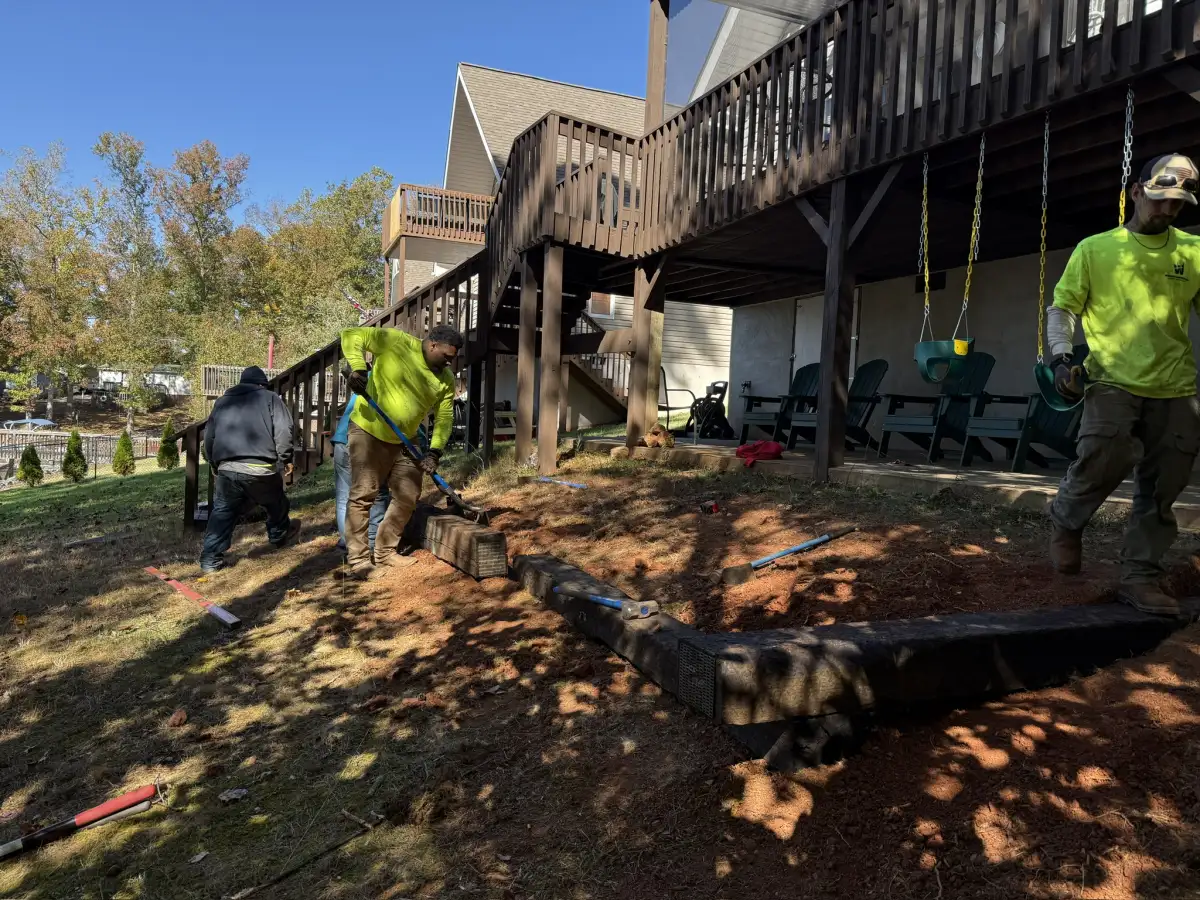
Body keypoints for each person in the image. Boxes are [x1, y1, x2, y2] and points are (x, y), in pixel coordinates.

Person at [1047, 153, 1200, 616]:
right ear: (1136, 191)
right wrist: (1060, 358)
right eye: (1160, 198)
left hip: (1176, 384)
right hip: (1111, 377)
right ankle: (1067, 518)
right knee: (1104, 455)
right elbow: (1063, 307)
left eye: (1178, 203)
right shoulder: (1095, 249)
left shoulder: (1193, 251)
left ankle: (1140, 576)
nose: (1168, 209)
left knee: (1164, 485)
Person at [340, 323, 462, 579]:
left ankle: (385, 551)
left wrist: (435, 452)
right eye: (447, 356)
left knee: (408, 495)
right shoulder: (397, 342)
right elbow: (352, 335)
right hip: (369, 431)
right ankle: (359, 560)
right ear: (433, 345)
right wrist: (358, 369)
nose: (449, 362)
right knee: (363, 495)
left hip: (406, 439)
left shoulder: (445, 379)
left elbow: (444, 417)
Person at [200, 366, 300, 573]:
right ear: (262, 384)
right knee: (276, 502)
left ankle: (210, 560)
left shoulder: (222, 402)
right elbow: (284, 430)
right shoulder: (271, 398)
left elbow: (209, 436)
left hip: (227, 468)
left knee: (223, 511)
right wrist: (286, 458)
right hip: (260, 468)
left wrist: (213, 462)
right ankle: (279, 535)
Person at [331, 367, 389, 552]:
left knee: (344, 496)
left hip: (341, 439)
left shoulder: (366, 377)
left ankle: (346, 543)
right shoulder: (392, 381)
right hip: (363, 441)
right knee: (378, 493)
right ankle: (371, 544)